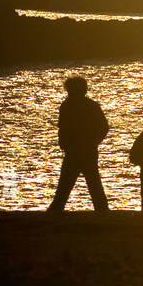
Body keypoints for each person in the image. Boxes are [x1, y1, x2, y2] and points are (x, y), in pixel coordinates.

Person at [47, 75, 110, 213]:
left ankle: (55, 210)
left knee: (66, 183)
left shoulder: (67, 105)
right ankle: (102, 211)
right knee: (92, 182)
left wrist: (91, 141)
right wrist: (94, 142)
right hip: (85, 150)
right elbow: (104, 127)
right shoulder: (89, 105)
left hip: (75, 150)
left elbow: (63, 127)